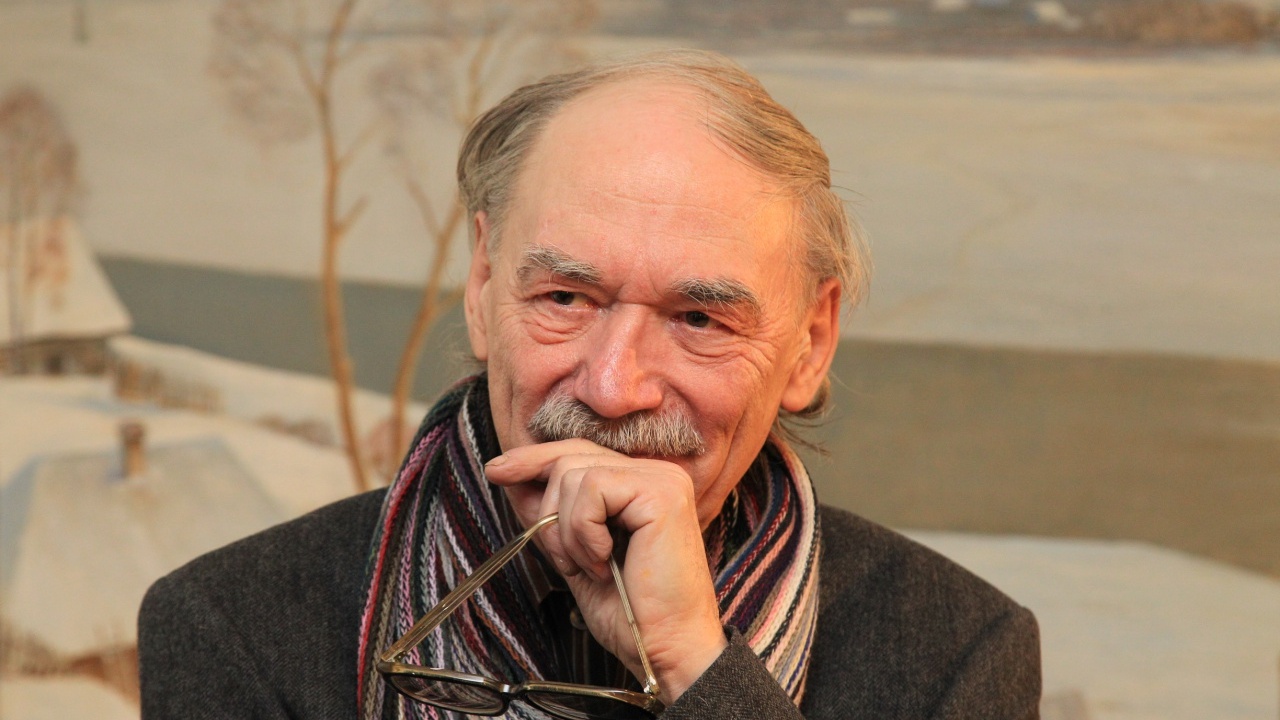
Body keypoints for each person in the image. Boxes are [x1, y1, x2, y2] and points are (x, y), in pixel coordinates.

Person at [139, 50, 1041, 719]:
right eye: (566, 298)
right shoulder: (233, 628)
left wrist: (698, 669)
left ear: (810, 343)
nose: (612, 389)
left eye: (699, 319)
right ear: (484, 287)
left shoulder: (957, 653)